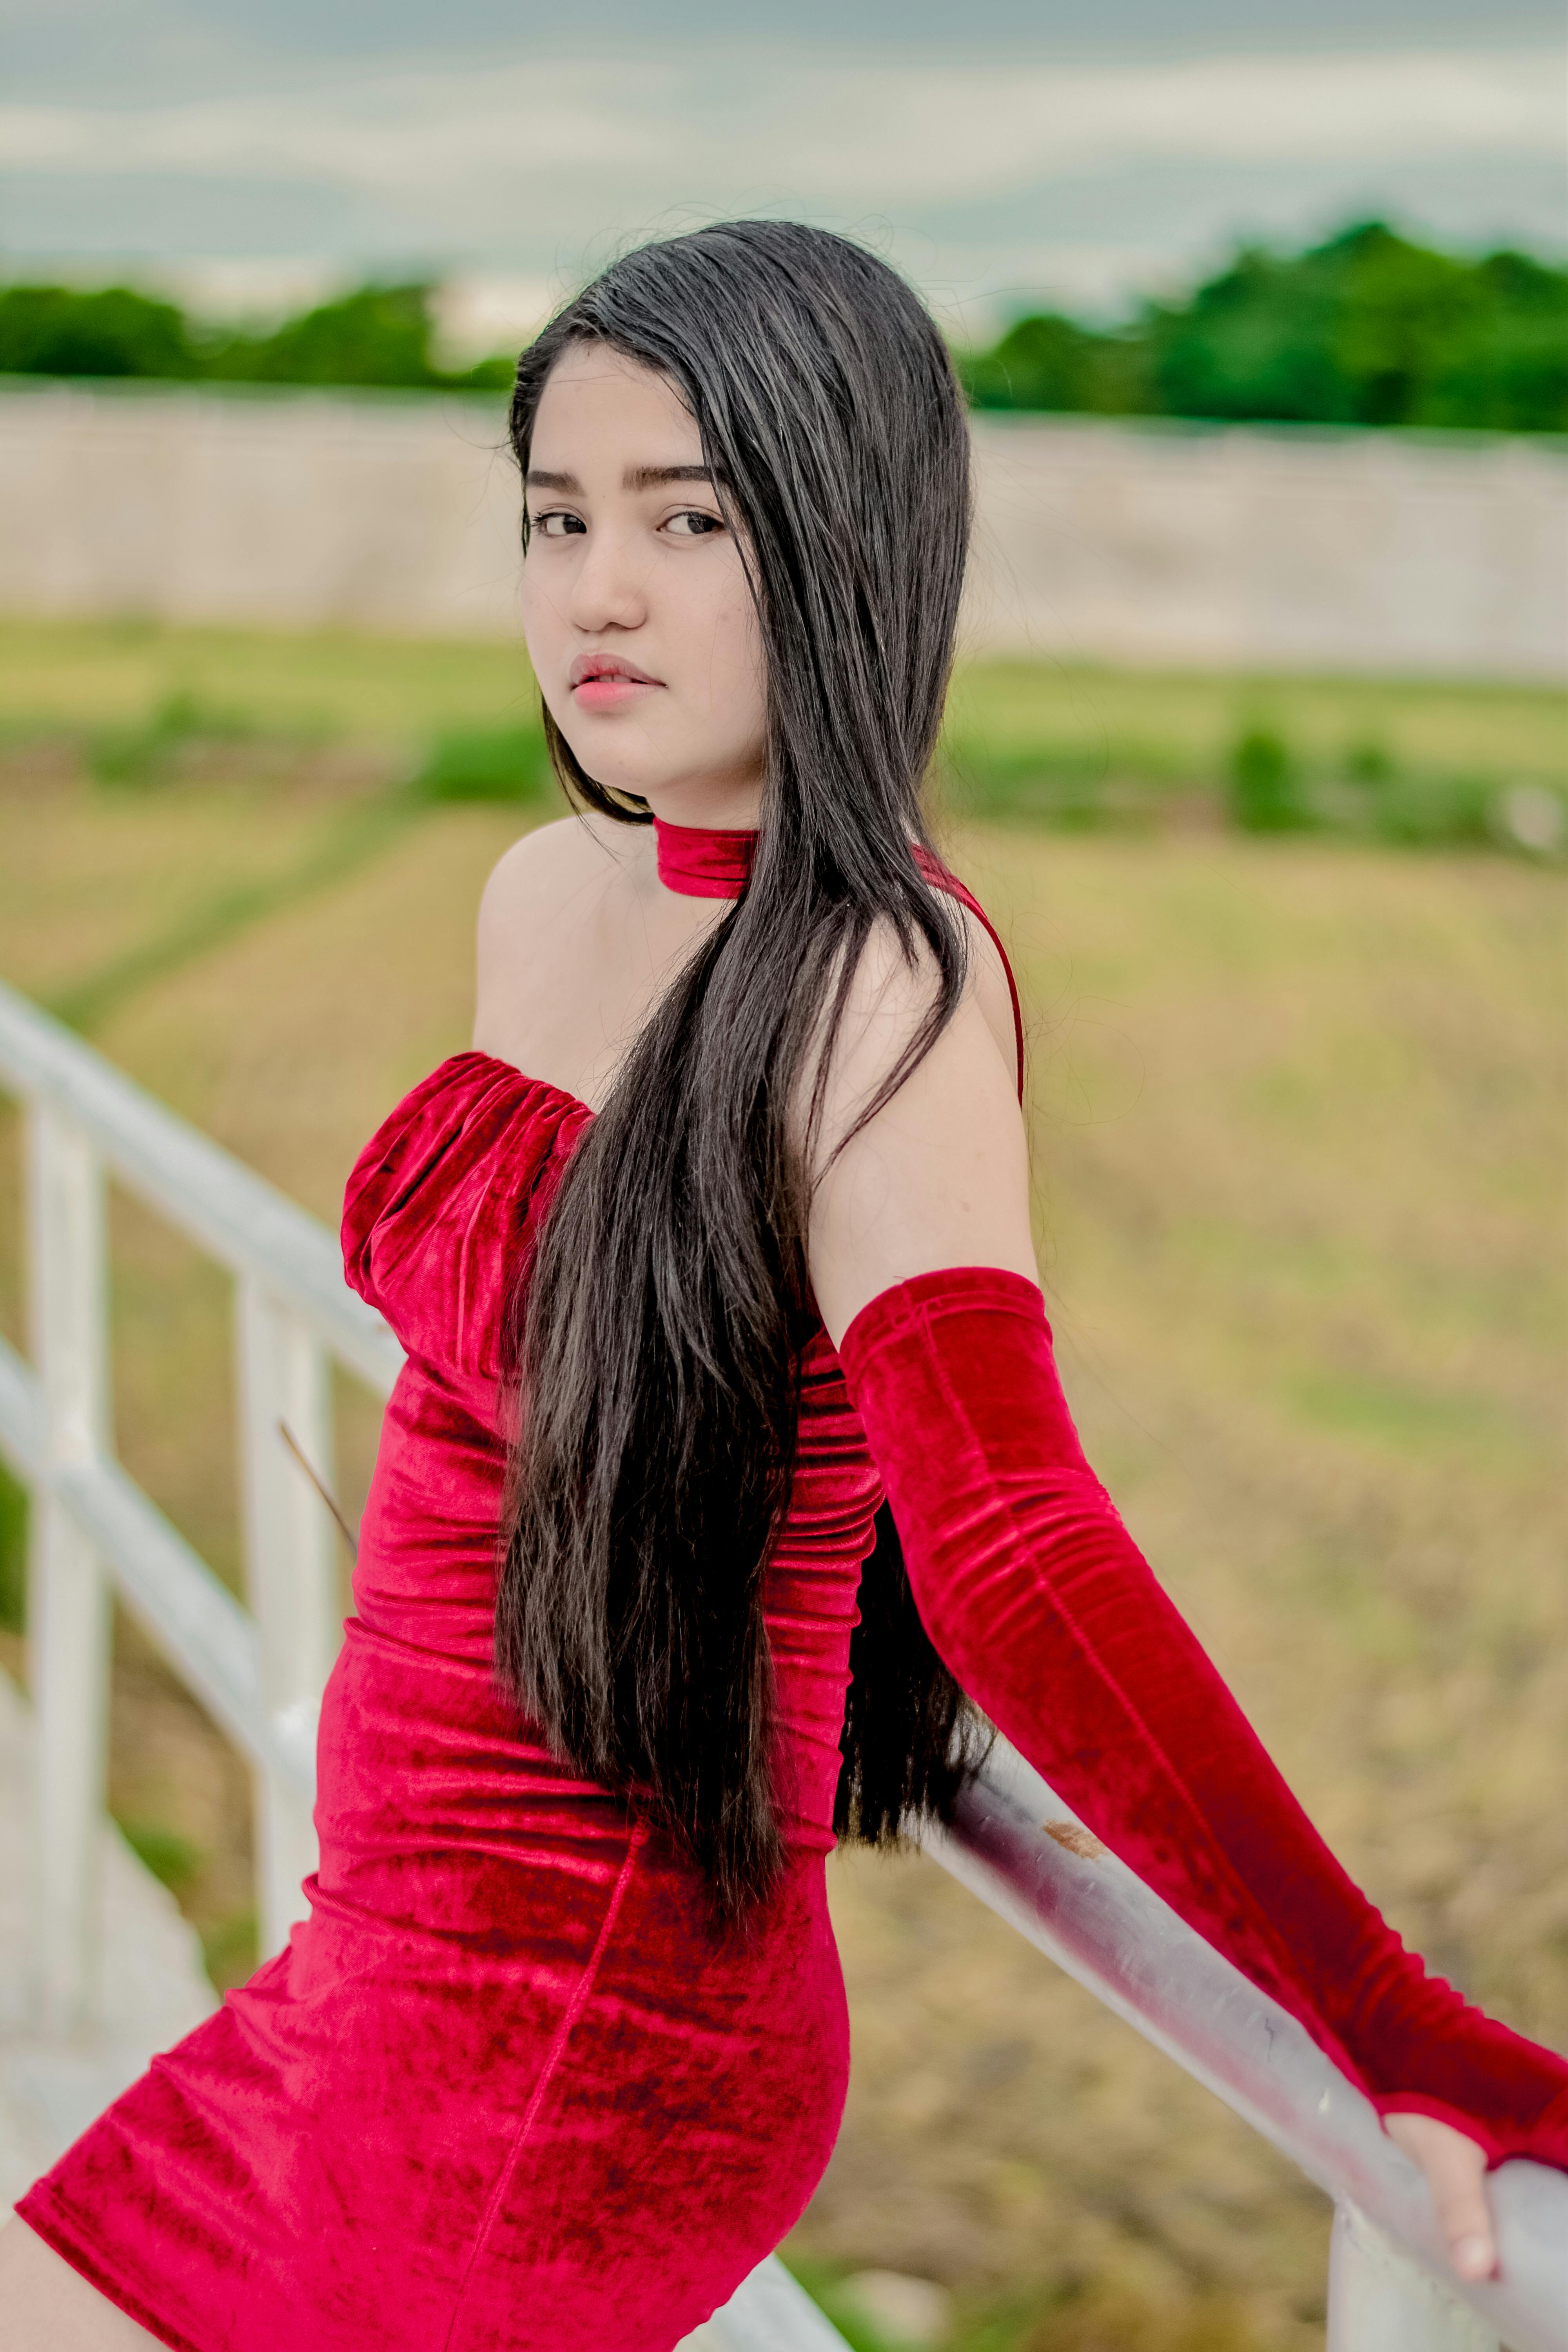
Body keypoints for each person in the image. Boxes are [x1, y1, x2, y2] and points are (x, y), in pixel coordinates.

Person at [3, 220, 1564, 2352]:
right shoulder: (543, 893)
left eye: (689, 517)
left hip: (576, 2071)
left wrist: (1392, 2018)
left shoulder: (876, 988)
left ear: (844, 539)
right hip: (369, 1982)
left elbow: (1013, 1534)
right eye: (556, 515)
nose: (595, 590)